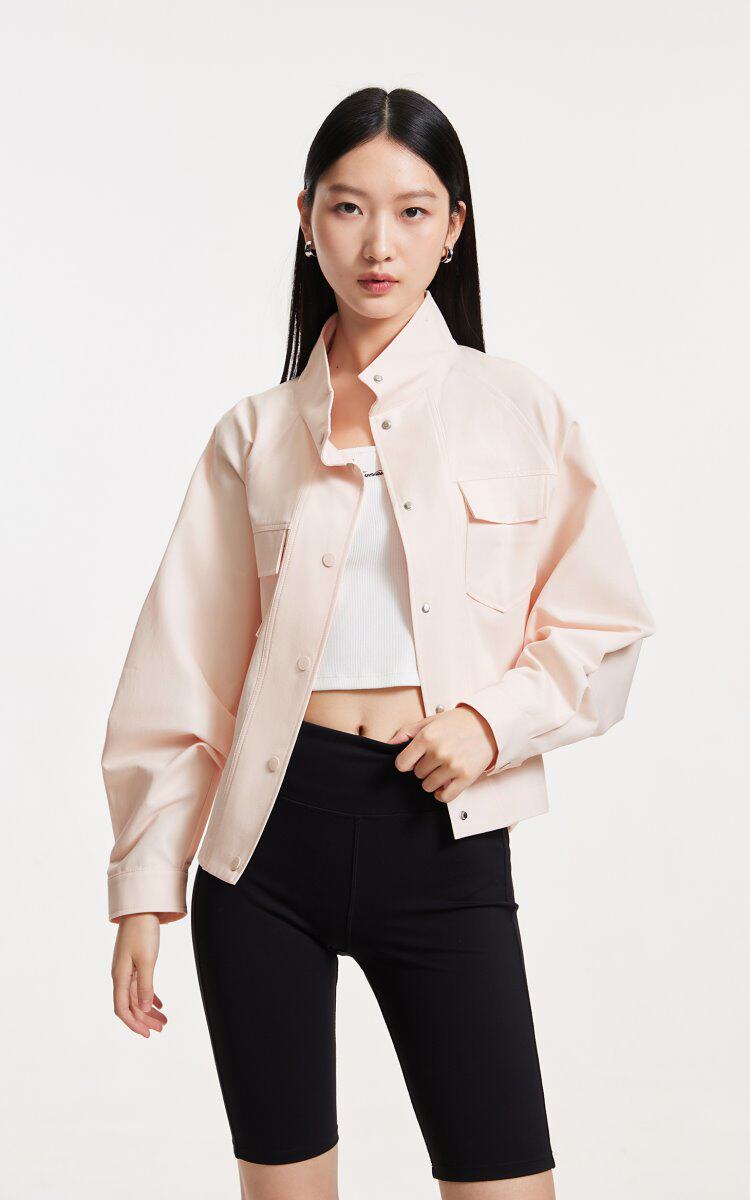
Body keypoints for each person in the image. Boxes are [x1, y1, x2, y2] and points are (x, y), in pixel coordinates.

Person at [102, 86, 656, 1200]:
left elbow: (603, 622)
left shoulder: (519, 409)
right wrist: (143, 888)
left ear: (455, 227)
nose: (378, 244)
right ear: (307, 220)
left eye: (412, 211)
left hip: (441, 837)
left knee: (506, 1182)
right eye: (349, 208)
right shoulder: (254, 435)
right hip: (264, 852)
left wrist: (491, 721)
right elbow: (183, 671)